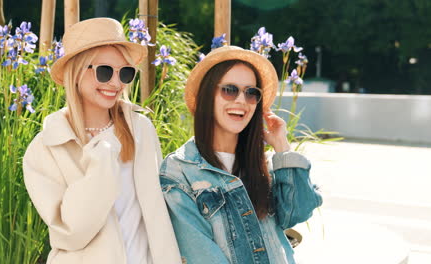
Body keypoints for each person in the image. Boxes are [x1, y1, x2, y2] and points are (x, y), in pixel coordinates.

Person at [23, 18, 181, 264]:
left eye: (125, 73)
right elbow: (72, 233)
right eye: (104, 71)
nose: (116, 83)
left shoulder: (141, 129)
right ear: (76, 72)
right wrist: (102, 159)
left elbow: (158, 215)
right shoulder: (46, 148)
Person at [160, 46, 322, 264]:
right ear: (207, 96)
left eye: (251, 93)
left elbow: (298, 212)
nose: (241, 100)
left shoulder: (263, 164)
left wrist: (282, 147)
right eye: (229, 90)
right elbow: (202, 256)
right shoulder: (180, 170)